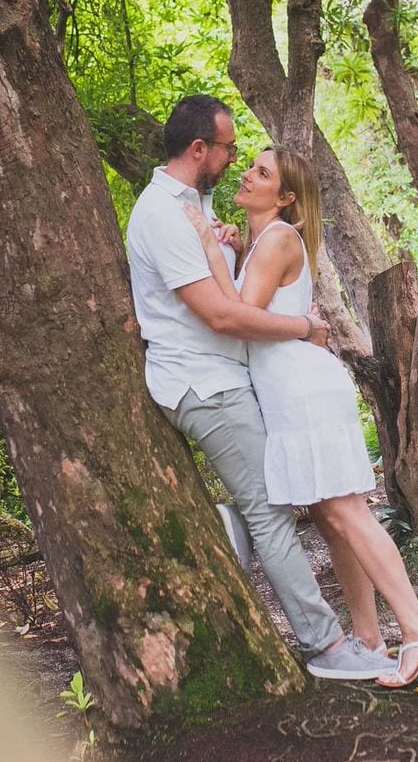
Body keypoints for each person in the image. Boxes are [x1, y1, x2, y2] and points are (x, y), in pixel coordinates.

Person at [124, 95, 395, 682]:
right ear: (200, 150)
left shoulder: (195, 204)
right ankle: (326, 646)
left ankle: (229, 526)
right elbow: (223, 316)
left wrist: (232, 242)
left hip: (234, 380)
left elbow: (236, 280)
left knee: (282, 499)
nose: (235, 161)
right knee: (272, 513)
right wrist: (305, 327)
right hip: (207, 386)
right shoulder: (163, 215)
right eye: (229, 150)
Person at [180, 146, 418, 689]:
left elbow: (241, 317)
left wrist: (210, 247)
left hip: (302, 390)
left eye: (262, 173)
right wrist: (231, 251)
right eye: (250, 165)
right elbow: (259, 301)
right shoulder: (262, 243)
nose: (247, 175)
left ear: (284, 198)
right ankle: (369, 639)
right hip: (289, 390)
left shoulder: (278, 238)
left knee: (347, 513)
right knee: (331, 519)